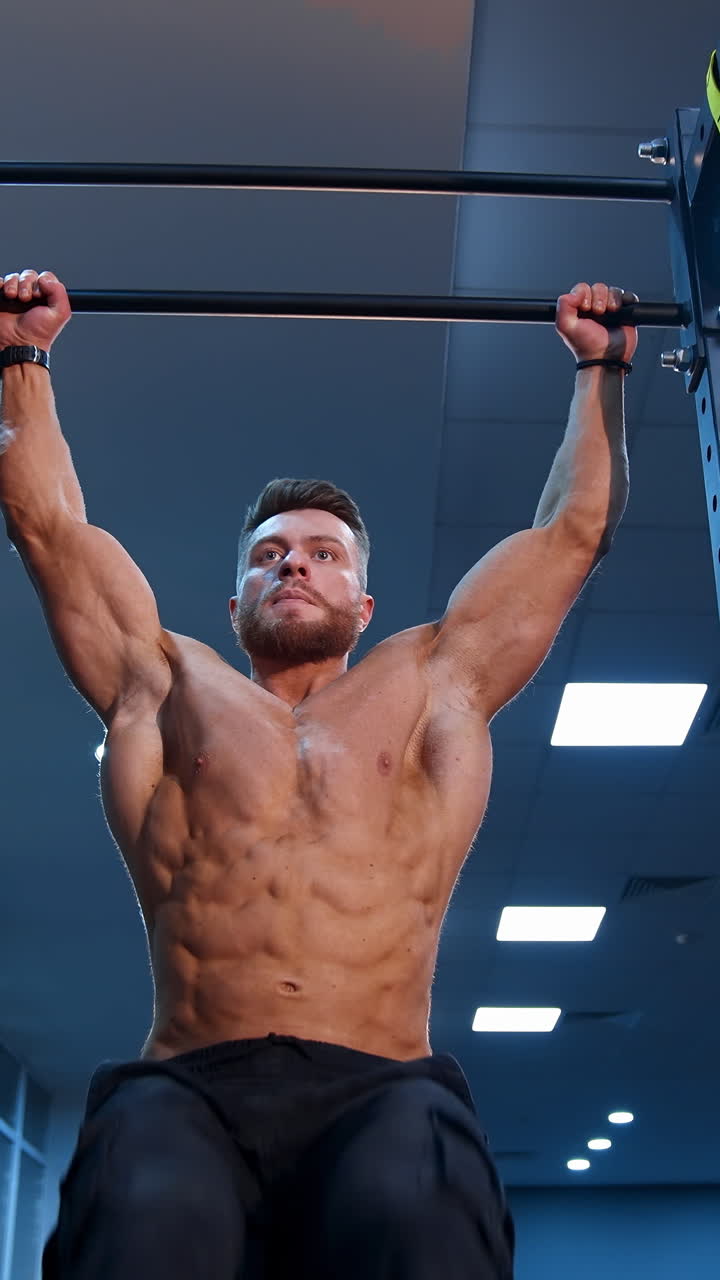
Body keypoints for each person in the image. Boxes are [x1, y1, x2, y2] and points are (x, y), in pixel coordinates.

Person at [0, 269, 636, 1279]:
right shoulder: (162, 682)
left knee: (418, 1211)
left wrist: (597, 370)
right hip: (186, 1085)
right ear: (234, 596)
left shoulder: (436, 681)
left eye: (324, 553)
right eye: (270, 553)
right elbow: (51, 532)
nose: (294, 564)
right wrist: (22, 358)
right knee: (141, 1217)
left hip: (383, 1084)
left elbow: (571, 535)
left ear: (366, 599)